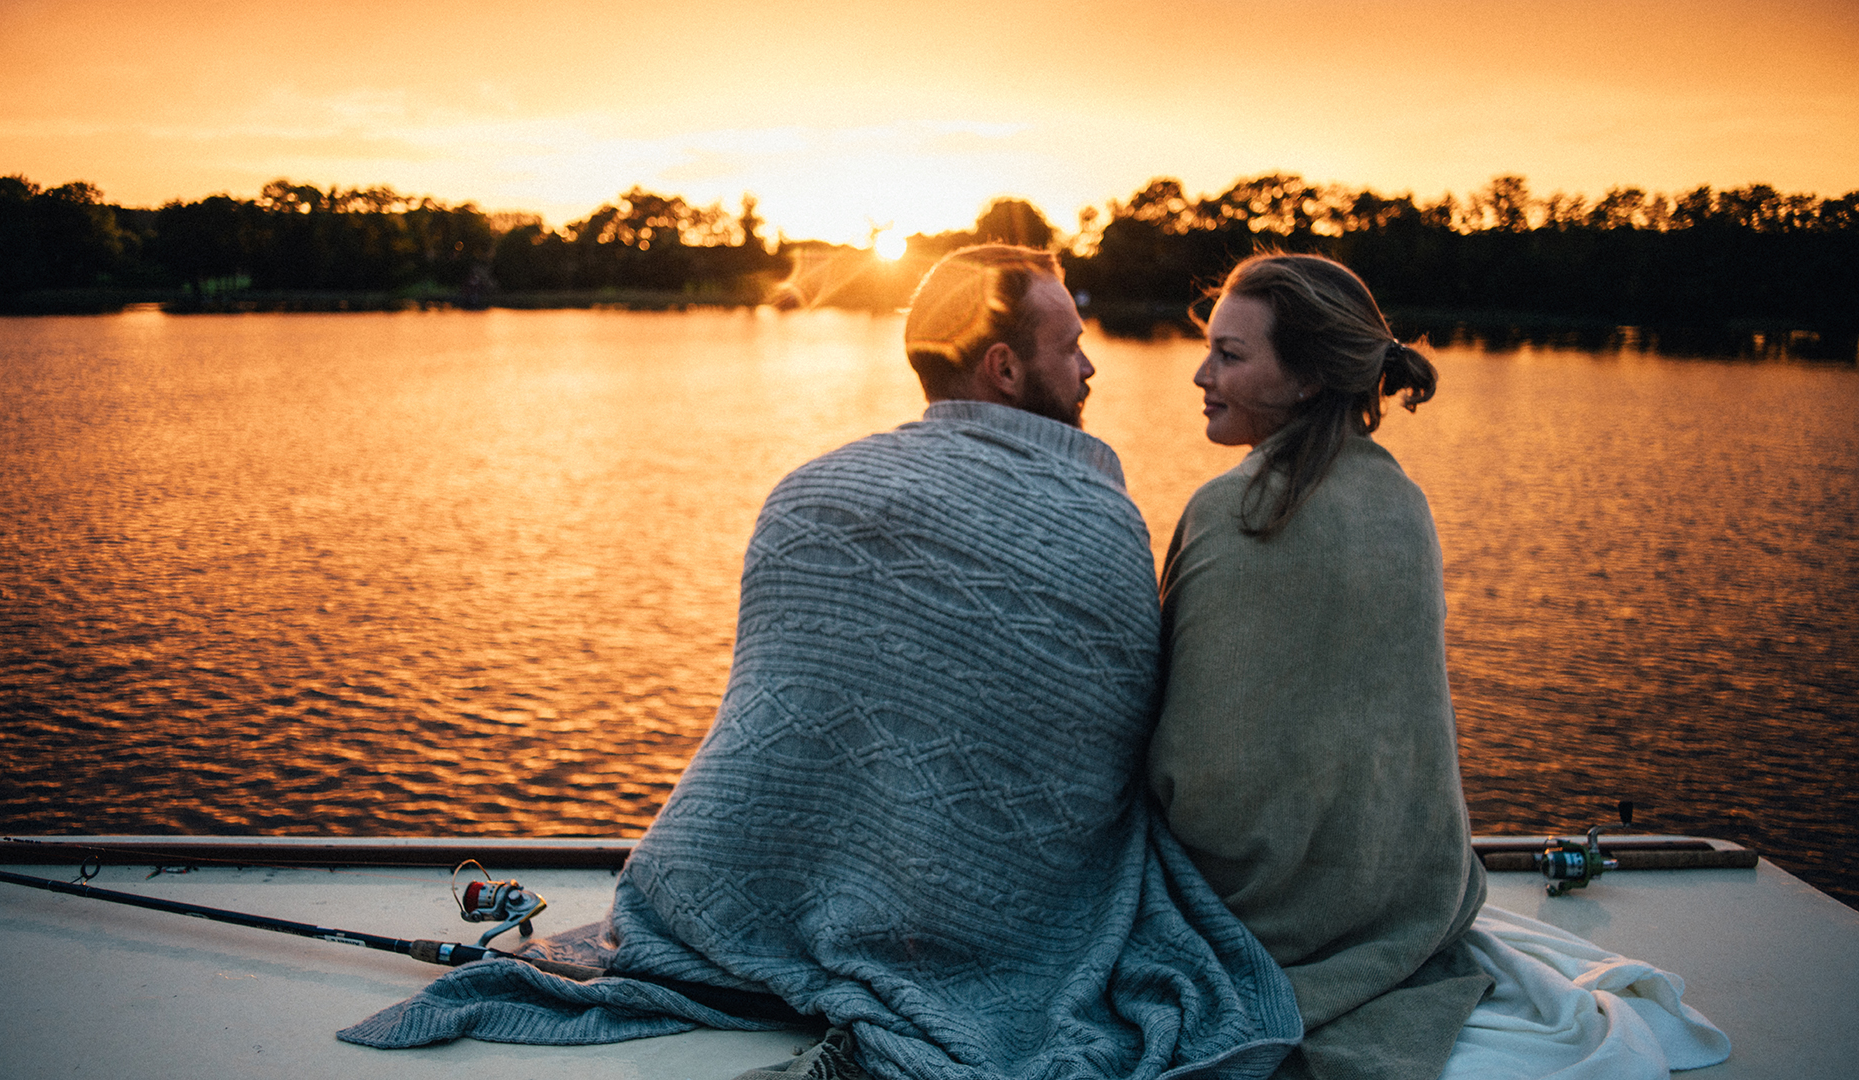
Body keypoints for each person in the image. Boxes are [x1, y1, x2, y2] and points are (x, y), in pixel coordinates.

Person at [343, 245, 1303, 1080]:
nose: (1092, 366)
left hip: (757, 905)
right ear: (1005, 368)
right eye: (1070, 347)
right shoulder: (1098, 524)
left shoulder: (808, 492)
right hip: (1010, 933)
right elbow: (1123, 749)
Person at [1147, 253, 1492, 1080]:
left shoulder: (1229, 510)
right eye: (1209, 348)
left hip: (1243, 911)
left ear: (1305, 379)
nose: (1202, 373)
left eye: (1230, 355)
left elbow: (1186, 762)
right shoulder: (1404, 501)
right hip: (1398, 891)